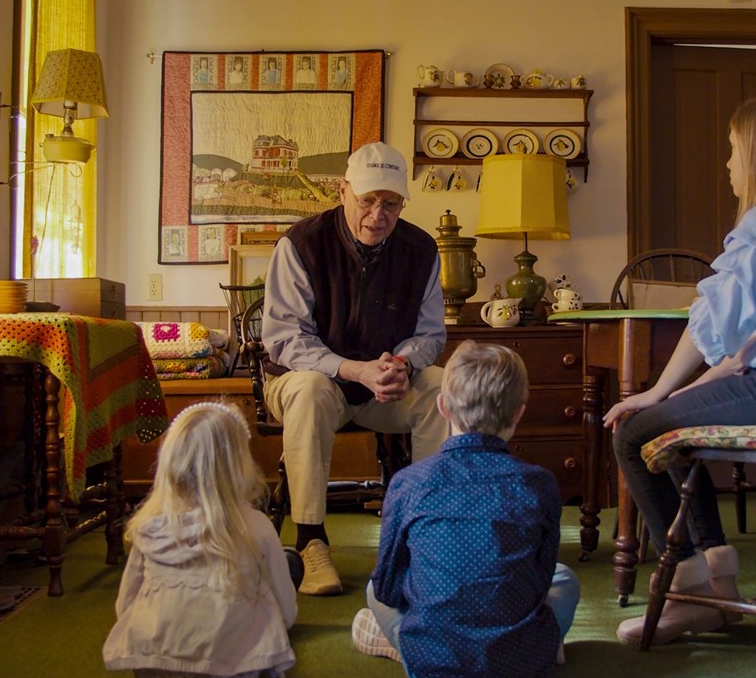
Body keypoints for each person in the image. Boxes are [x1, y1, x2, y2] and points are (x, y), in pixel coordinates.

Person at [604, 89, 756, 645]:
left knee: (633, 432)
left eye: (733, 149)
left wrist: (657, 394)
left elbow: (713, 319)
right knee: (671, 423)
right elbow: (755, 343)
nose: (728, 163)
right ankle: (720, 584)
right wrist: (678, 397)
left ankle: (692, 594)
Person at [262, 141, 448, 596]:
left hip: (381, 386)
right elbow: (285, 338)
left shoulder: (421, 249)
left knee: (444, 387)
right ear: (343, 191)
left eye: (391, 203)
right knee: (309, 389)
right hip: (306, 383)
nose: (377, 215)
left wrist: (402, 362)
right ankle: (310, 540)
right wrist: (352, 369)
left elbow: (431, 334)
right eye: (367, 200)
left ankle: (422, 532)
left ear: (402, 202)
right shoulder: (300, 244)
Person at [352, 340, 580, 676]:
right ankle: (540, 644)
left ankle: (403, 642)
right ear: (519, 412)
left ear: (443, 406)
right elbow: (540, 581)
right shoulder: (539, 484)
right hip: (519, 663)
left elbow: (387, 587)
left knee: (374, 590)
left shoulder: (408, 482)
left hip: (433, 661)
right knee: (566, 580)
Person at [103, 403, 300, 677]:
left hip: (155, 663)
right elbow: (286, 613)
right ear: (238, 467)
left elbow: (125, 605)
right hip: (233, 665)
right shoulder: (256, 527)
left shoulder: (149, 528)